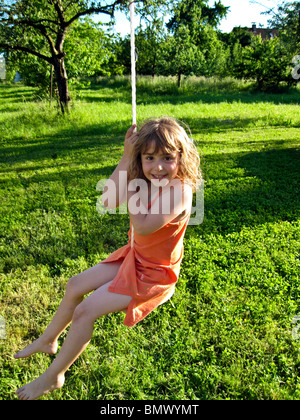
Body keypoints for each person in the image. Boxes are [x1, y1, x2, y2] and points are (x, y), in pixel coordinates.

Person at [15, 117, 201, 400]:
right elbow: (107, 201)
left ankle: (54, 377)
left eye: (167, 158)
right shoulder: (143, 177)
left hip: (154, 275)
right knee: (75, 284)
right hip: (135, 256)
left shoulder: (180, 190)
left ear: (181, 157)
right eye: (148, 158)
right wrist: (126, 158)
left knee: (85, 312)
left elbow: (143, 226)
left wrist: (132, 189)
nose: (158, 166)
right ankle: (48, 340)